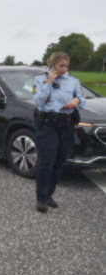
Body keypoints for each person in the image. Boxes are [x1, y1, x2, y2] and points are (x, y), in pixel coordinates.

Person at [32, 52, 86, 212]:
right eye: (61, 66)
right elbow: (38, 101)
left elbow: (82, 98)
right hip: (48, 124)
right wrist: (49, 82)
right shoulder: (40, 80)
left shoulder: (73, 81)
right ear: (53, 65)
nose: (64, 69)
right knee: (46, 162)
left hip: (66, 124)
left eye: (66, 66)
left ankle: (49, 194)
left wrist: (77, 100)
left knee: (59, 161)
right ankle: (41, 198)